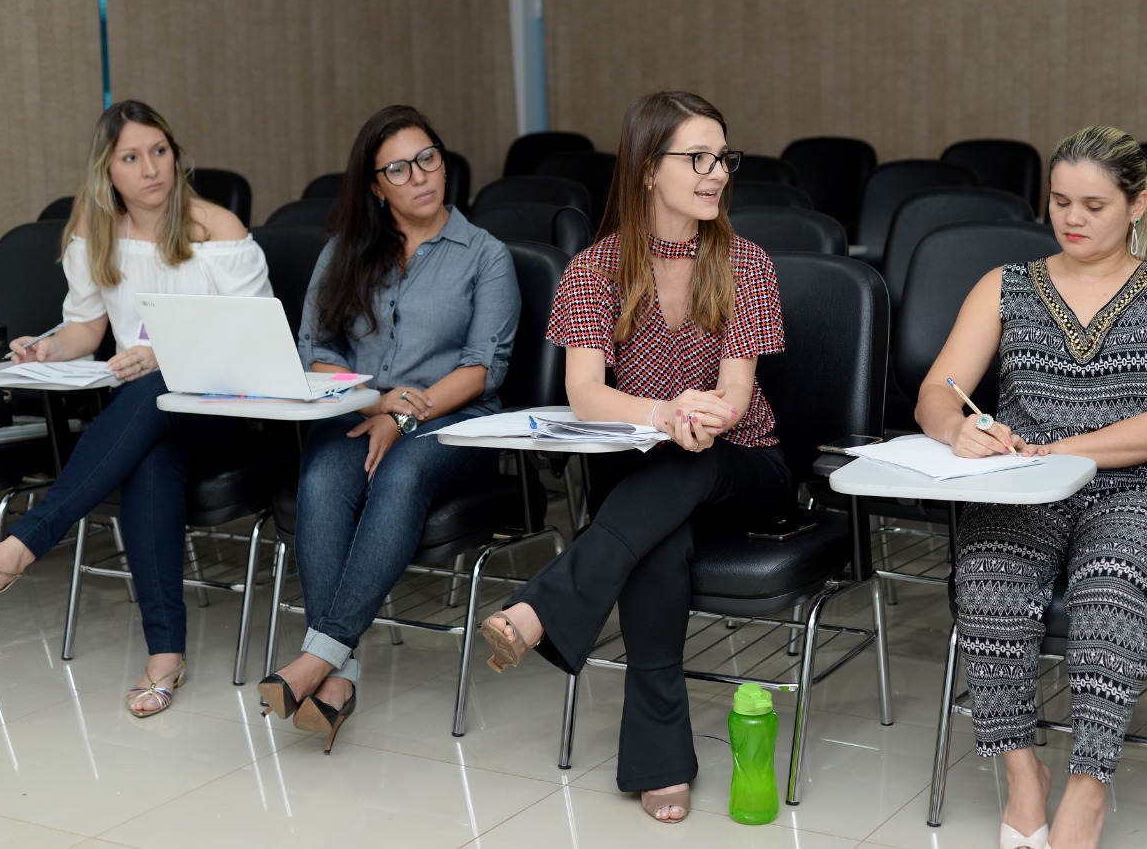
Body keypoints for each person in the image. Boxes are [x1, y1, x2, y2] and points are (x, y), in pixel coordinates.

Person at [477, 90, 789, 823]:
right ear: (649, 169)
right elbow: (585, 393)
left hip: (743, 463)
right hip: (651, 469)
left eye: (723, 158)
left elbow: (738, 393)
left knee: (688, 468)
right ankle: (660, 760)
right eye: (698, 158)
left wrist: (703, 414)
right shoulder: (594, 268)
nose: (717, 173)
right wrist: (663, 412)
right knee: (658, 534)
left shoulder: (747, 262)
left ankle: (542, 607)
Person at [916, 126, 1147, 849]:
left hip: (1145, 489)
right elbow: (936, 391)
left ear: (1136, 205)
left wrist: (1055, 446)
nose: (1072, 219)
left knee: (1108, 583)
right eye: (1058, 202)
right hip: (1028, 487)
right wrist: (954, 428)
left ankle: (1087, 785)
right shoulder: (1006, 285)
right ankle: (1025, 775)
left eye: (1093, 204)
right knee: (985, 574)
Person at [0, 100, 271, 716]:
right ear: (108, 172)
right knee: (150, 460)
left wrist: (162, 356)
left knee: (151, 392)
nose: (151, 168)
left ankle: (20, 546)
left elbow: (255, 347)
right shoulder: (96, 231)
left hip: (231, 411)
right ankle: (165, 659)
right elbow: (85, 329)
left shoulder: (220, 231)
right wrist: (43, 348)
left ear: (176, 155)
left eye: (160, 151)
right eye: (131, 158)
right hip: (153, 418)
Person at [257, 105, 519, 752]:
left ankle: (319, 654)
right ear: (376, 185)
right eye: (398, 168)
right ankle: (337, 676)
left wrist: (404, 414)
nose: (421, 176)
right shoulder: (345, 252)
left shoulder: (486, 255)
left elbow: (483, 368)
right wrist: (374, 404)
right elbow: (315, 348)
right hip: (358, 413)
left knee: (399, 473)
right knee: (321, 477)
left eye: (428, 158)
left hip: (457, 425)